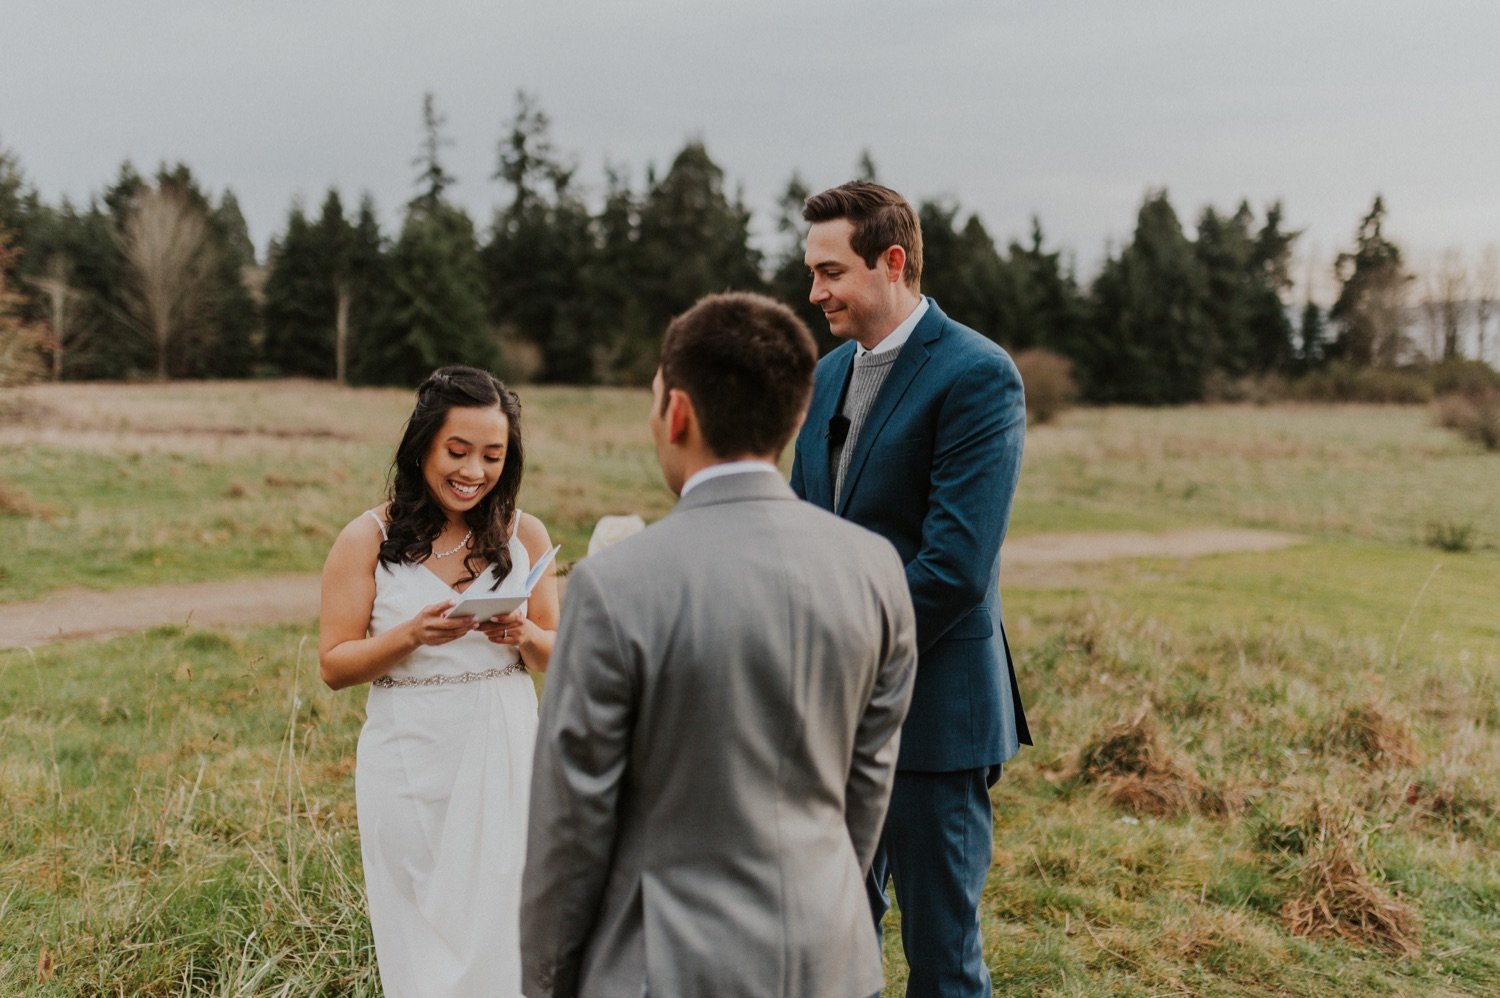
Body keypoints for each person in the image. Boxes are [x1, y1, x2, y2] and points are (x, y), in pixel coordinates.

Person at [521, 291, 918, 998]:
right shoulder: (875, 569)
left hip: (667, 965)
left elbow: (571, 824)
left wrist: (548, 981)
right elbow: (866, 789)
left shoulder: (616, 586)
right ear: (796, 416)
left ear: (676, 413)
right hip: (831, 957)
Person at [790, 181, 1030, 997]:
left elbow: (956, 568)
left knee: (942, 961)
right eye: (811, 272)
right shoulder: (824, 377)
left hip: (934, 714)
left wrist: (841, 650)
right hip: (831, 718)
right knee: (833, 937)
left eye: (830, 272)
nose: (813, 291)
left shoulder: (976, 375)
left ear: (891, 262)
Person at [319, 365, 559, 998]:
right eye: (457, 451)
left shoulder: (524, 533)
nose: (473, 471)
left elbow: (563, 656)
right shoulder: (365, 539)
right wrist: (410, 637)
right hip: (407, 755)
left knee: (504, 925)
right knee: (417, 924)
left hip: (503, 747)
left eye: (492, 455)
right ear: (423, 444)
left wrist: (524, 636)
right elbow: (334, 665)